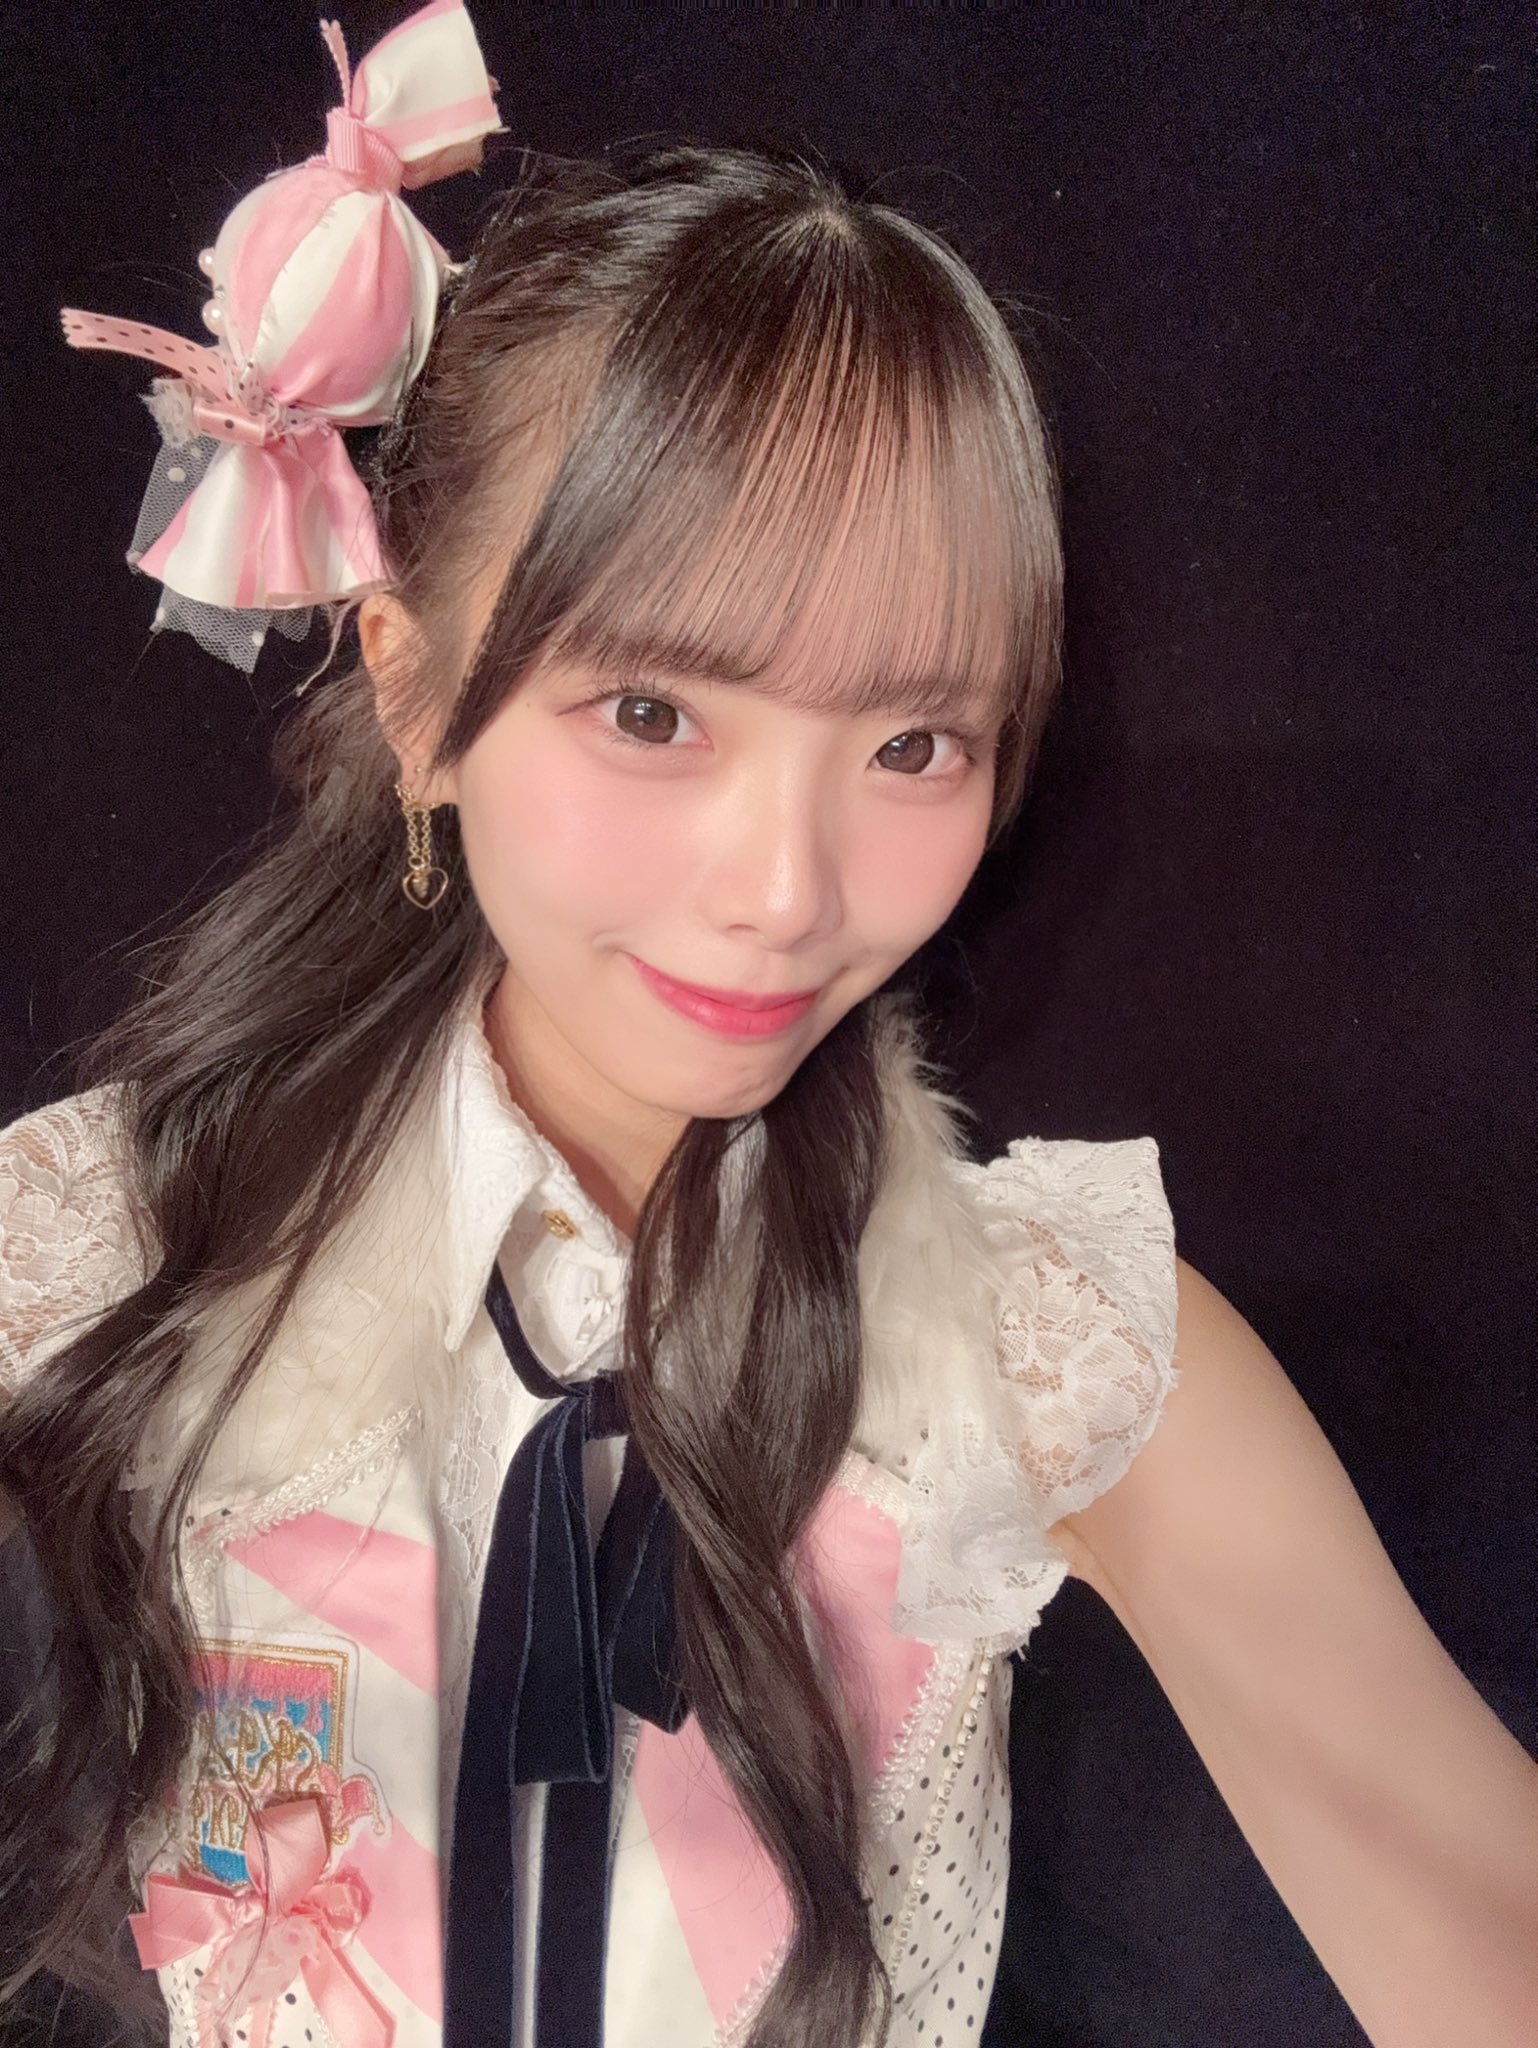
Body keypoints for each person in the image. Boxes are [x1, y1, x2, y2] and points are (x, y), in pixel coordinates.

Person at [3, 6, 1535, 2047]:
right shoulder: (89, 1251)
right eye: (651, 713)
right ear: (414, 696)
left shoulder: (1045, 1345)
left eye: (913, 743)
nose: (787, 889)